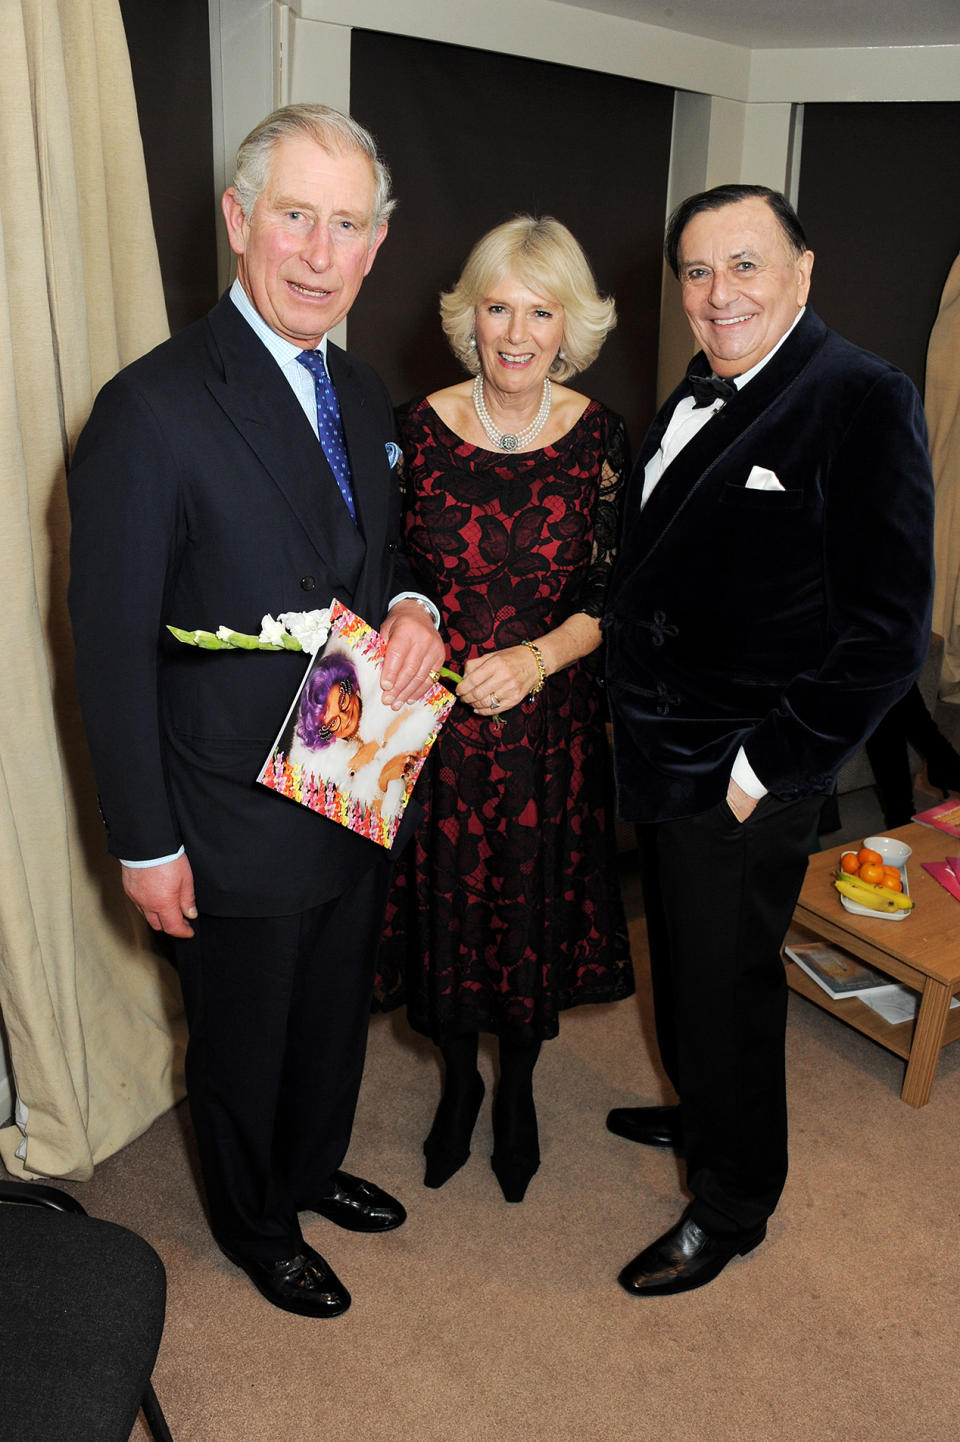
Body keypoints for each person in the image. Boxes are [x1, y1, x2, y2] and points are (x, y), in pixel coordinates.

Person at [67, 104, 444, 1318]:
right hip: (225, 801)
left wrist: (414, 603)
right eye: (296, 216)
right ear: (239, 221)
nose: (320, 253)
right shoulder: (150, 406)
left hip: (353, 772)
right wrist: (145, 840)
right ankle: (257, 1220)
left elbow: (380, 550)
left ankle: (310, 1166)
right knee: (245, 1034)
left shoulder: (367, 388)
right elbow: (109, 646)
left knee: (334, 1008)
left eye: (348, 225)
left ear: (377, 244)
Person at [603, 185, 934, 1295]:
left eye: (744, 265)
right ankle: (705, 1109)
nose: (717, 293)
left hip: (746, 765)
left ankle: (734, 1197)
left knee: (733, 985)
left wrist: (763, 767)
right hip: (662, 749)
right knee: (690, 968)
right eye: (696, 271)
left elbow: (886, 635)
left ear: (802, 270)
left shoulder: (861, 396)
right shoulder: (698, 388)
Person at [377, 216, 634, 1203]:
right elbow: (387, 565)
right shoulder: (409, 428)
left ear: (569, 325)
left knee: (528, 915)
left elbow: (615, 597)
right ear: (469, 317)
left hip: (546, 736)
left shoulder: (605, 438)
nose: (517, 332)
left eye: (541, 310)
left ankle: (518, 1088)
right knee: (441, 915)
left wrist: (533, 659)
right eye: (498, 307)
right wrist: (418, 616)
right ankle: (456, 1089)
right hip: (432, 731)